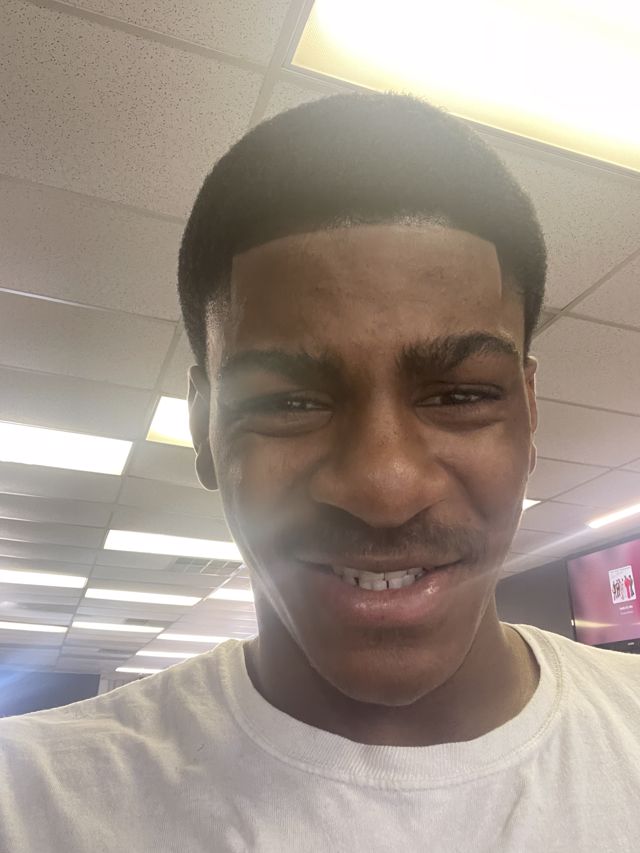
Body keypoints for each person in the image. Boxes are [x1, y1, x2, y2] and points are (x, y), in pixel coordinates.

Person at [1, 92, 639, 852]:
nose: (385, 487)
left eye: (460, 395)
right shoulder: (33, 805)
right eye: (289, 401)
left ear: (528, 411)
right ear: (204, 426)